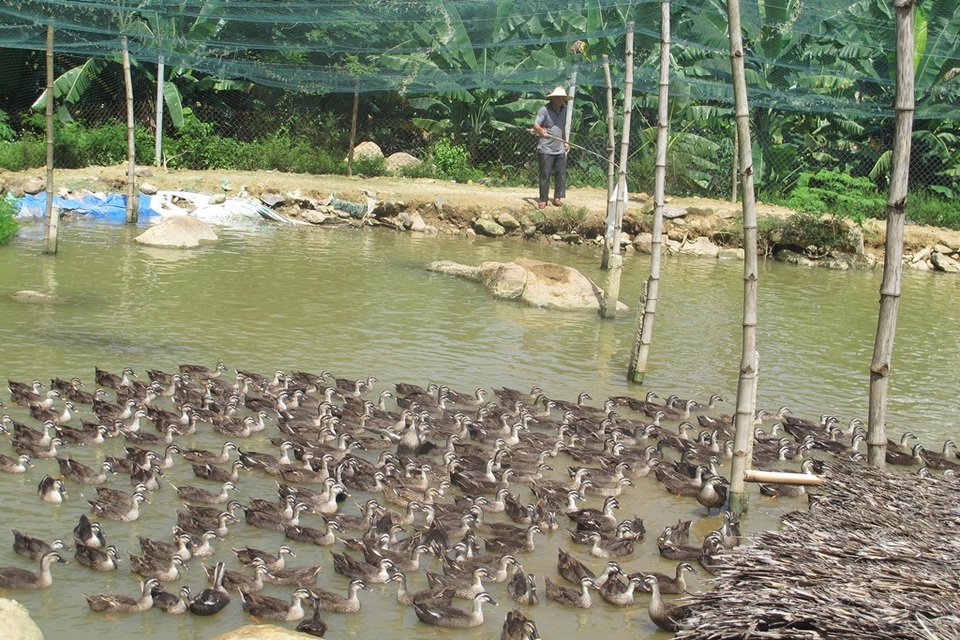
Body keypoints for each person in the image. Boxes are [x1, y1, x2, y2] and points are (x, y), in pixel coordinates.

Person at [532, 86, 571, 209]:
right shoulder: (544, 110)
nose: (560, 101)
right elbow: (535, 125)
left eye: (562, 99)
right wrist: (541, 130)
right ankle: (543, 199)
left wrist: (565, 141)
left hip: (559, 148)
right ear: (553, 99)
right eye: (558, 98)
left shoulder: (563, 110)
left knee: (560, 173)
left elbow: (562, 127)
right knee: (545, 174)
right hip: (546, 148)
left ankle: (557, 197)